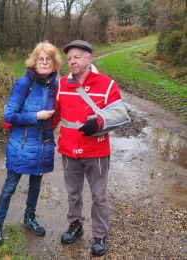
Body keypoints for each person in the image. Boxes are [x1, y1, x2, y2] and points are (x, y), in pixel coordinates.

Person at [52, 40, 130, 256]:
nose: (72, 61)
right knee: (73, 194)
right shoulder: (62, 85)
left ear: (89, 58)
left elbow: (120, 114)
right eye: (69, 58)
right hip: (69, 150)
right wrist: (43, 134)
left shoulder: (107, 84)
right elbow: (56, 114)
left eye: (77, 57)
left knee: (99, 196)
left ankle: (99, 234)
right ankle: (75, 225)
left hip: (96, 151)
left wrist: (99, 122)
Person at [0, 41, 62, 246]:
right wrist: (36, 116)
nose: (45, 62)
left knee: (35, 185)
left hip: (43, 144)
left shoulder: (54, 85)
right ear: (34, 61)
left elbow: (71, 92)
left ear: (54, 63)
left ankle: (29, 217)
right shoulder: (24, 84)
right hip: (21, 145)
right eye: (41, 58)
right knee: (9, 188)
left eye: (49, 59)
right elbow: (9, 115)